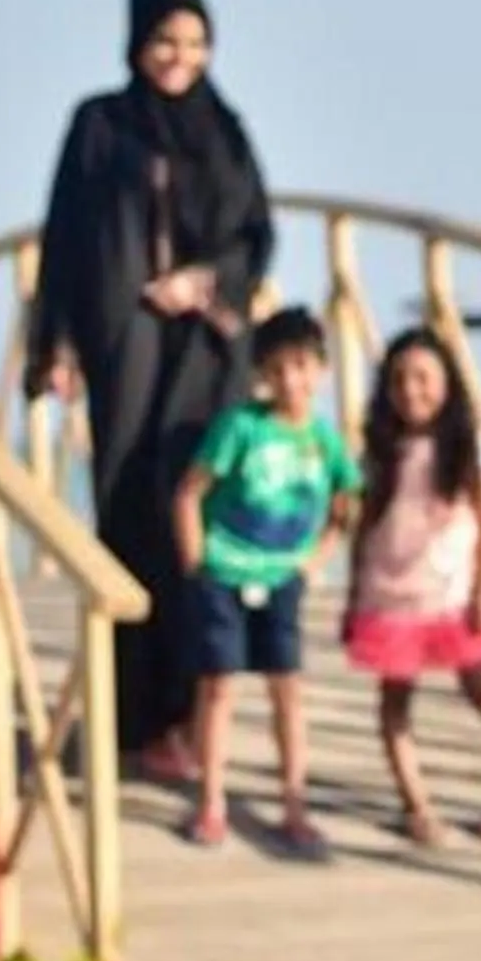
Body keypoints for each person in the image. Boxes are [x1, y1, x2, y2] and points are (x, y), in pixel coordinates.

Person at [25, 0, 275, 779]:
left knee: (194, 521)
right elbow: (64, 239)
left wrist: (205, 282)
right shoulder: (100, 125)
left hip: (206, 351)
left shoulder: (224, 130)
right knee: (130, 518)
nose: (179, 58)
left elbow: (255, 236)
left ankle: (187, 723)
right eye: (166, 40)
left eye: (195, 42)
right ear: (137, 40)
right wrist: (54, 345)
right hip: (126, 344)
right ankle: (128, 720)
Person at [344, 327, 481, 850]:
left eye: (423, 378)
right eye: (399, 380)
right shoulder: (381, 451)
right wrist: (351, 595)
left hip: (452, 591)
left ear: (448, 383)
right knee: (395, 698)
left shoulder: (471, 449)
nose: (412, 391)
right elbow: (364, 526)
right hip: (389, 592)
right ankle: (417, 804)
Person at [172, 305, 359, 854]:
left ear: (321, 369)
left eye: (301, 366)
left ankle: (293, 805)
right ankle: (211, 802)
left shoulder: (324, 439)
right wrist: (195, 564)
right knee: (219, 686)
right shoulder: (241, 427)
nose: (290, 381)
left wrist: (317, 558)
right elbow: (191, 491)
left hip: (283, 578)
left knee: (288, 690)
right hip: (225, 570)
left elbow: (347, 500)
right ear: (261, 375)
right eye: (276, 369)